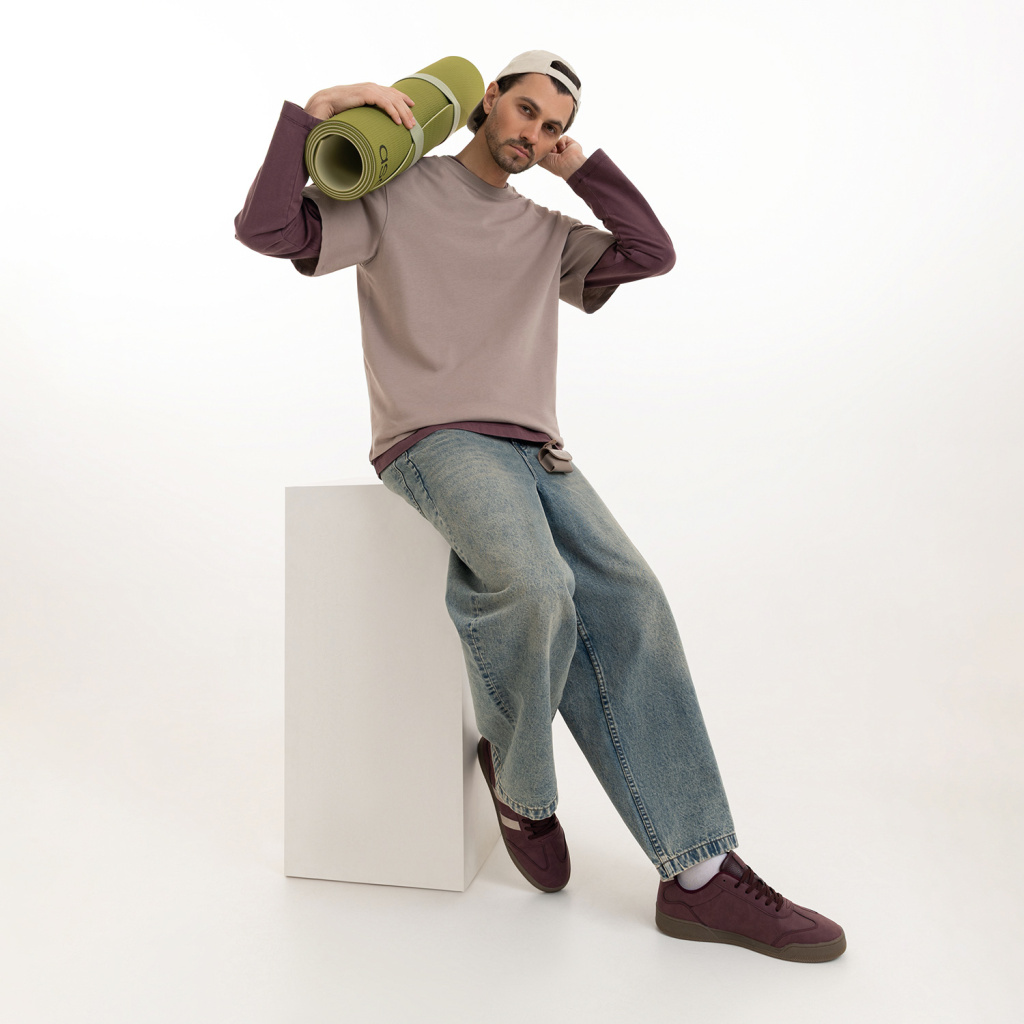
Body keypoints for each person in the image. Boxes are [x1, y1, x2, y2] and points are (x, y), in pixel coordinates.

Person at [235, 50, 846, 963]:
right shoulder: (398, 191)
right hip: (435, 438)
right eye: (526, 111)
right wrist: (315, 111)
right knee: (535, 588)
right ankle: (522, 790)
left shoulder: (544, 230)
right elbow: (270, 230)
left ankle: (700, 875)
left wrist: (581, 170)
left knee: (633, 598)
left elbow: (651, 253)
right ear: (487, 100)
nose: (535, 133)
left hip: (539, 449)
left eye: (554, 126)